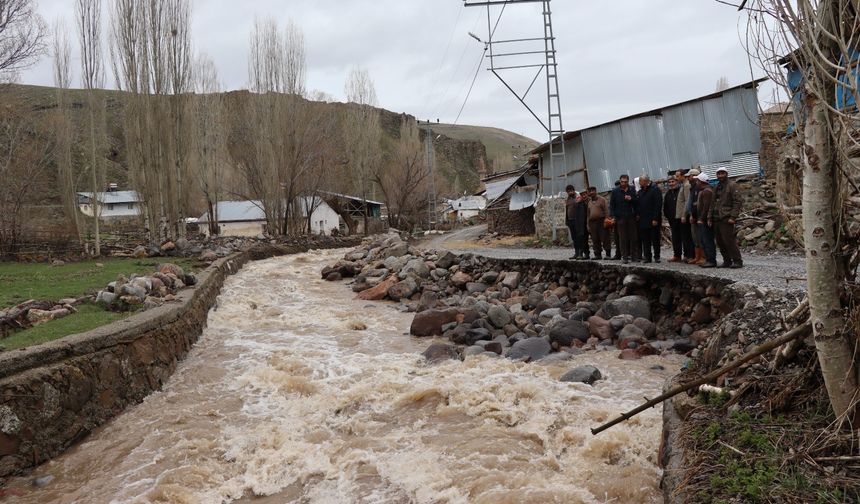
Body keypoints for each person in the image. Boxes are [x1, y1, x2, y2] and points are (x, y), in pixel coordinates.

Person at [711, 167, 744, 268]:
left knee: (729, 240)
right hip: (717, 217)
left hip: (726, 217)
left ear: (726, 174)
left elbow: (737, 202)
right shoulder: (717, 187)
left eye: (722, 173)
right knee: (720, 242)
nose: (720, 176)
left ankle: (737, 261)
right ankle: (727, 260)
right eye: (719, 174)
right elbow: (713, 203)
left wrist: (733, 217)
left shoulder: (732, 185)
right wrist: (710, 216)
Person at [609, 174, 638, 264]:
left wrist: (631, 199)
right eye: (622, 182)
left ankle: (634, 256)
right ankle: (624, 257)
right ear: (620, 181)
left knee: (633, 237)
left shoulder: (632, 189)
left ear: (628, 181)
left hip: (631, 217)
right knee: (623, 238)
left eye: (625, 182)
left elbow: (637, 202)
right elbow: (612, 205)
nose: (624, 183)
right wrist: (613, 217)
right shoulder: (615, 191)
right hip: (620, 218)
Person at [637, 174, 663, 263]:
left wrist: (655, 218)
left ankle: (657, 256)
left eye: (640, 181)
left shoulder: (655, 190)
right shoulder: (640, 192)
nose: (639, 183)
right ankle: (647, 257)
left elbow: (658, 205)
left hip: (653, 219)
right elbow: (639, 205)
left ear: (645, 181)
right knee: (645, 239)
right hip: (643, 220)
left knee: (655, 238)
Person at [695, 173, 717, 268]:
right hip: (703, 220)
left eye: (697, 181)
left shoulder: (707, 191)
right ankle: (708, 259)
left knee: (707, 240)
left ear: (701, 181)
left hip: (705, 220)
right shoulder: (704, 191)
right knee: (704, 240)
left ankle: (711, 260)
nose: (696, 182)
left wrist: (702, 218)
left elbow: (706, 207)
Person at [674, 169, 695, 262]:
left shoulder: (686, 186)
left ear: (683, 176)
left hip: (684, 215)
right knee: (684, 236)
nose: (676, 178)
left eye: (678, 176)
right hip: (680, 215)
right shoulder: (682, 185)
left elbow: (687, 201)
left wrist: (684, 214)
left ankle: (690, 255)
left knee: (687, 236)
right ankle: (686, 255)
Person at [686, 167, 705, 265]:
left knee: (701, 237)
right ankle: (697, 257)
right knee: (695, 237)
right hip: (693, 215)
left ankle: (703, 257)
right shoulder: (692, 187)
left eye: (689, 176)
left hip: (698, 216)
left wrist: (696, 215)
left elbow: (697, 204)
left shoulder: (698, 188)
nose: (688, 178)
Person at [586, 186, 611, 259]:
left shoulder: (602, 199)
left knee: (605, 237)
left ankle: (608, 254)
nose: (591, 192)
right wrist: (587, 224)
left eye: (593, 190)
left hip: (601, 221)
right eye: (590, 191)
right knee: (595, 238)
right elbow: (588, 215)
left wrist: (607, 220)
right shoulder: (589, 202)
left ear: (596, 191)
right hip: (592, 223)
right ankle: (597, 254)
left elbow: (606, 210)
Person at [565, 185, 588, 259]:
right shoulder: (568, 199)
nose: (570, 192)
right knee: (574, 238)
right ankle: (576, 252)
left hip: (578, 221)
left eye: (571, 190)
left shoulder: (578, 198)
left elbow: (582, 210)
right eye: (568, 191)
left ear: (574, 190)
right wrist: (567, 221)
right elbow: (567, 210)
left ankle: (581, 253)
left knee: (580, 237)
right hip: (571, 221)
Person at [664, 175, 682, 262]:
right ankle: (677, 255)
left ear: (677, 182)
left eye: (673, 182)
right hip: (672, 219)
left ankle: (688, 255)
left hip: (682, 219)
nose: (671, 184)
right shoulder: (668, 194)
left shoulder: (681, 191)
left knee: (685, 238)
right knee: (675, 238)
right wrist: (668, 216)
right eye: (670, 182)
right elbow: (665, 207)